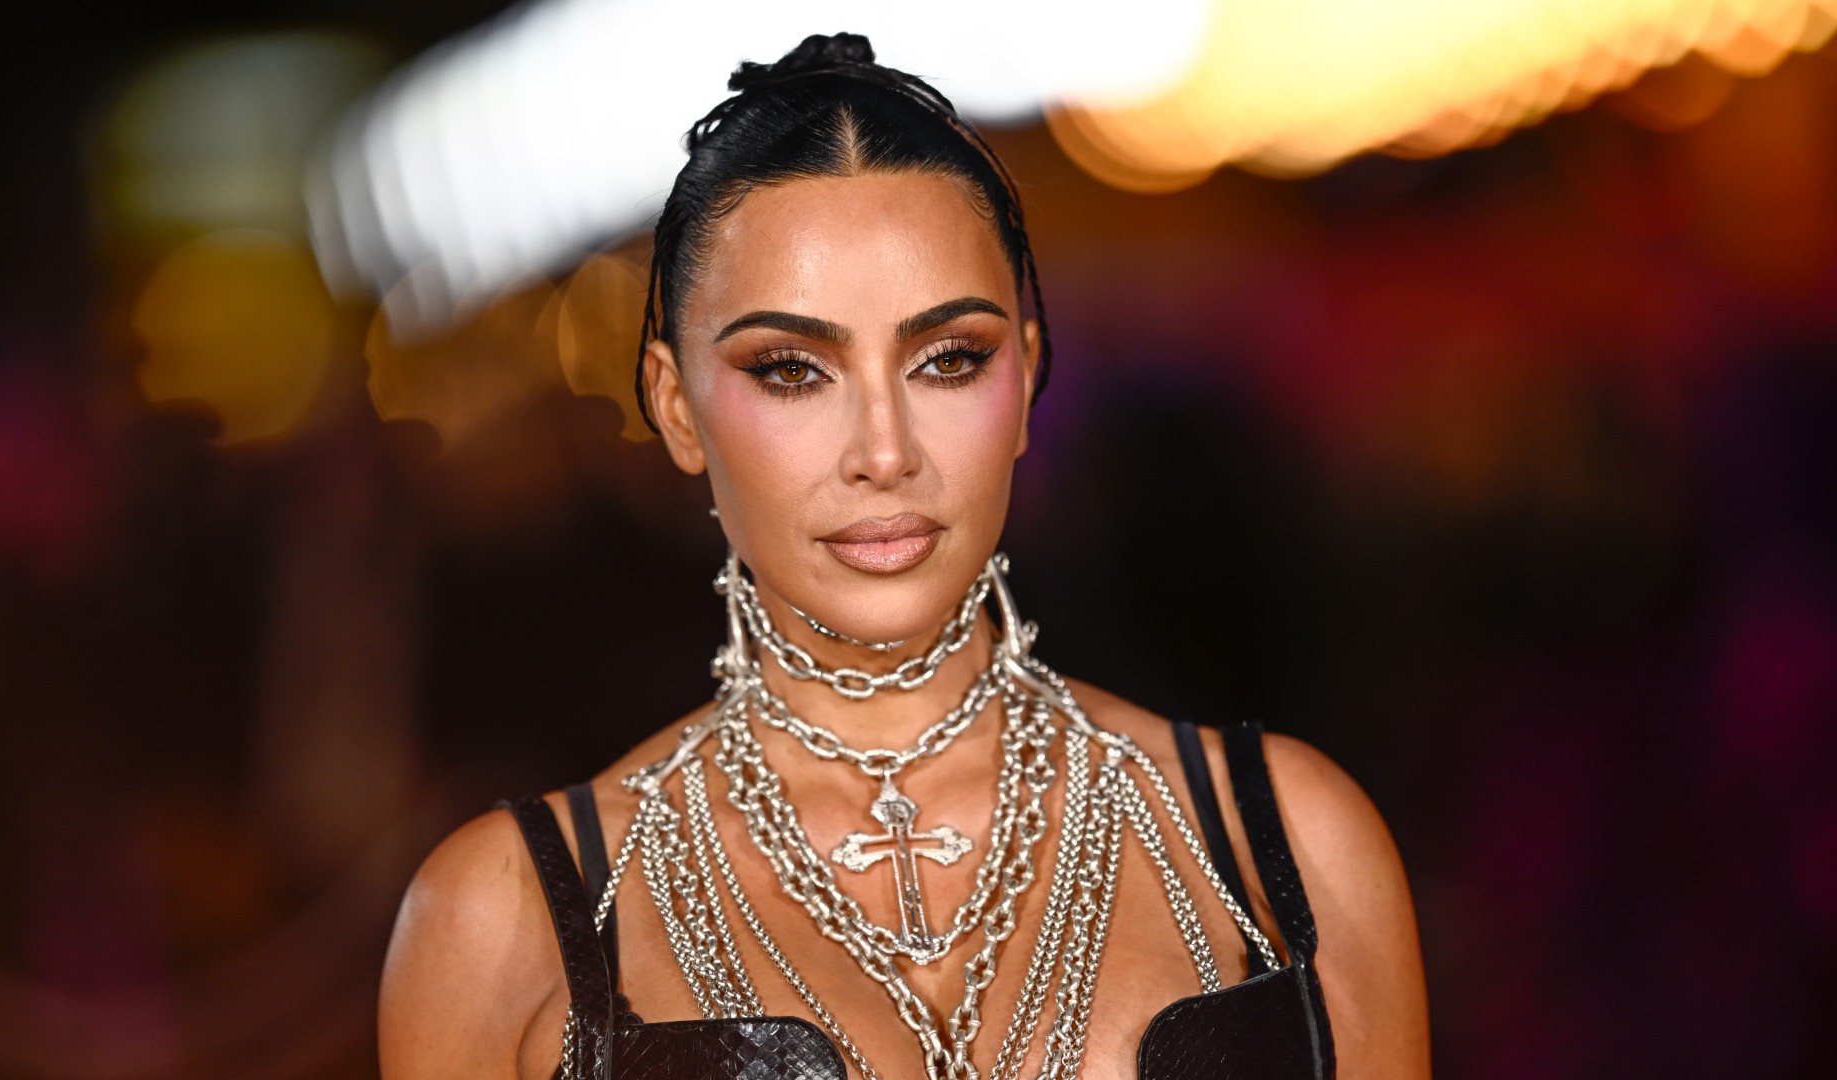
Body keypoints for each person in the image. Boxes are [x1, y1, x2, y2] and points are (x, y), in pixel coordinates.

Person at [378, 33, 1427, 1080]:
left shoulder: (1287, 841)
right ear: (675, 406)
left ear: (1026, 376)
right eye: (792, 370)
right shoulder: (499, 921)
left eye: (948, 359)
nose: (884, 452)